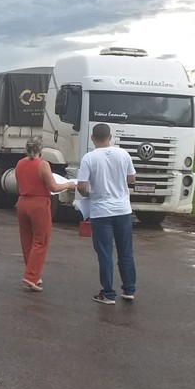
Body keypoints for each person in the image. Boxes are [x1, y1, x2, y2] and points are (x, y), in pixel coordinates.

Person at [77, 123, 137, 305]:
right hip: (123, 210)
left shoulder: (89, 158)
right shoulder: (123, 154)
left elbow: (81, 186)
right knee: (125, 251)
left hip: (101, 211)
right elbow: (132, 179)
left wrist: (88, 194)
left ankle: (108, 293)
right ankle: (129, 289)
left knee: (105, 253)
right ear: (110, 137)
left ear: (92, 138)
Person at [15, 136, 77, 292]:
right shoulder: (43, 165)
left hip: (22, 202)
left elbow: (18, 185)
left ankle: (33, 273)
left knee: (27, 239)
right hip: (39, 204)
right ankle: (31, 276)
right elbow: (54, 187)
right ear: (40, 150)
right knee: (41, 240)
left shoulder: (20, 163)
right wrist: (69, 184)